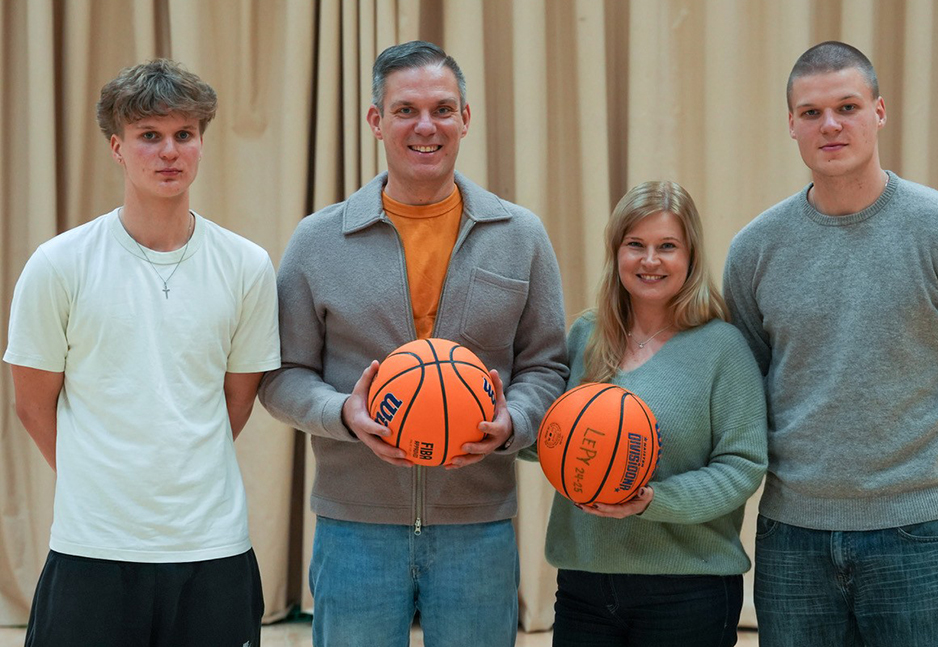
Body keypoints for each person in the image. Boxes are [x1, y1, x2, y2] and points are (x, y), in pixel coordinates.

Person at [257, 40, 568, 647]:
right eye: (406, 110)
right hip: (354, 528)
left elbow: (546, 365)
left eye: (442, 109)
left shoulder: (520, 235)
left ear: (465, 119)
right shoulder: (318, 241)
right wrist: (343, 413)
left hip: (478, 526)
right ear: (376, 121)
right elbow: (283, 374)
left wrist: (513, 422)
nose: (426, 126)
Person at [723, 41, 938, 646]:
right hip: (792, 538)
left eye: (848, 106)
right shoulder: (754, 250)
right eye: (811, 112)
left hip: (918, 536)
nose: (830, 125)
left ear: (879, 111)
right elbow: (744, 391)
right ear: (791, 125)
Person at [4, 59, 280, 646]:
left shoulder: (247, 266)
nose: (169, 151)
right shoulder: (58, 264)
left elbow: (236, 400)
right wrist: (101, 478)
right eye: (149, 136)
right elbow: (31, 404)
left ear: (201, 143)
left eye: (184, 134)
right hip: (93, 547)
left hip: (213, 547)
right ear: (117, 147)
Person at [538, 180, 767, 646]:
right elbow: (553, 435)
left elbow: (742, 466)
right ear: (616, 252)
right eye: (635, 245)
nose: (650, 260)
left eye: (667, 246)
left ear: (691, 256)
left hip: (687, 591)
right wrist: (498, 420)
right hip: (583, 584)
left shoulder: (722, 348)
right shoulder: (586, 335)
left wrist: (651, 500)